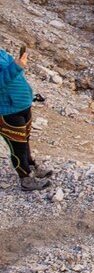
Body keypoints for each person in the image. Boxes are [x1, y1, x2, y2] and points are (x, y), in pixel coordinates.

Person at [0, 45, 52, 191]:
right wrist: (16, 66)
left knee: (25, 140)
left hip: (23, 104)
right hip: (8, 110)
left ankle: (30, 166)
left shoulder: (1, 53)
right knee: (18, 146)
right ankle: (26, 179)